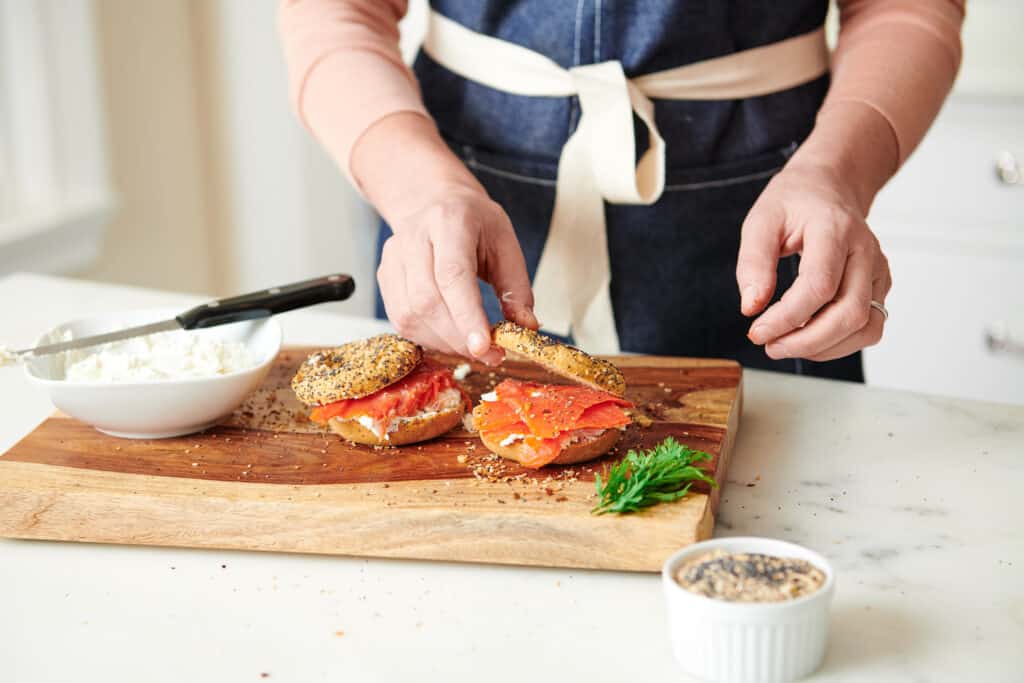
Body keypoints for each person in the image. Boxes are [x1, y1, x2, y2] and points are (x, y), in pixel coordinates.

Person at [279, 1, 964, 379]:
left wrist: (836, 175)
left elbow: (906, 8)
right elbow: (334, 13)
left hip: (766, 230)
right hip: (455, 229)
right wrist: (420, 190)